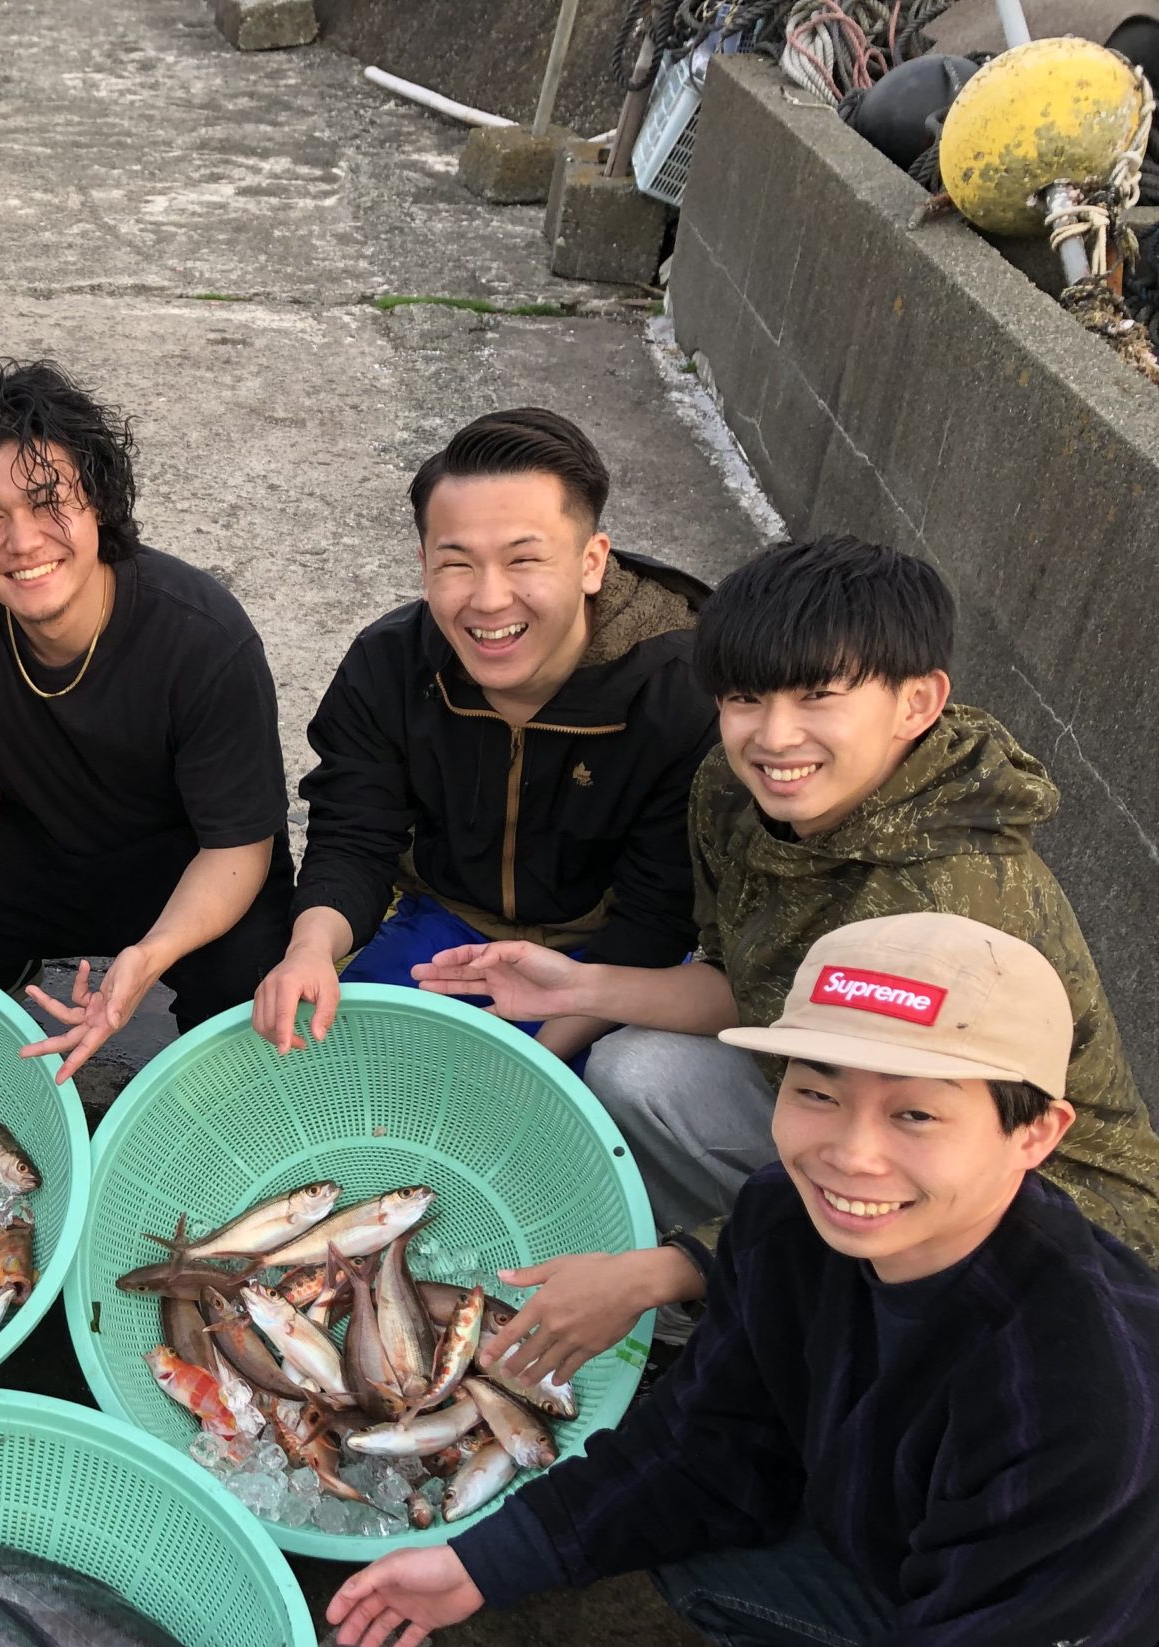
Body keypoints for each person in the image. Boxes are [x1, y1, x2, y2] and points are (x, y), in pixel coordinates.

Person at [328, 914, 1159, 1647]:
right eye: (817, 1093)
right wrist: (484, 1561)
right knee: (690, 1547)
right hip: (992, 1640)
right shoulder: (784, 1222)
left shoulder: (1085, 1384)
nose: (850, 1154)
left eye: (915, 1115)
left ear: (1035, 1134)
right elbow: (702, 1450)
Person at [415, 535, 1159, 1383]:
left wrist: (672, 1268)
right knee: (635, 1068)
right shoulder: (732, 792)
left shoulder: (948, 898)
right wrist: (580, 986)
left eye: (819, 697)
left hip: (1033, 1196)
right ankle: (739, 1310)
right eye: (745, 698)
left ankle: (775, 1334)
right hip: (868, 1104)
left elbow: (914, 1148)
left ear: (917, 702)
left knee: (872, 1298)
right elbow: (748, 988)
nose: (775, 736)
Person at [0, 358, 292, 1082]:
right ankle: (0, 961)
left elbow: (240, 845)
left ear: (99, 501)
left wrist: (152, 954)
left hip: (181, 866)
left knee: (254, 979)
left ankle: (198, 1038)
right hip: (33, 850)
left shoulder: (204, 637)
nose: (22, 542)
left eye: (49, 502)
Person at [252, 407, 714, 1061]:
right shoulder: (389, 664)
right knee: (320, 1057)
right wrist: (308, 950)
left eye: (524, 559)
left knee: (603, 1088)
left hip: (611, 959)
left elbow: (659, 912)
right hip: (445, 927)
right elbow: (354, 838)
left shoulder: (682, 692)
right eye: (457, 564)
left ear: (592, 562)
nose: (490, 600)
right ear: (424, 566)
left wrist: (537, 1065)